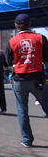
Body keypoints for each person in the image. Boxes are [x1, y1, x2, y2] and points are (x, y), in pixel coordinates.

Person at [5, 14, 48, 147]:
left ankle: (27, 140)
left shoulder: (12, 41)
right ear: (30, 24)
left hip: (19, 79)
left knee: (22, 110)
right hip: (37, 78)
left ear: (16, 26)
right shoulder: (41, 38)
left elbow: (7, 61)